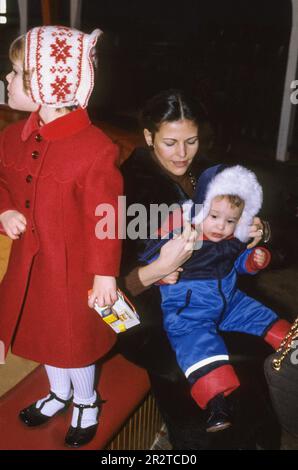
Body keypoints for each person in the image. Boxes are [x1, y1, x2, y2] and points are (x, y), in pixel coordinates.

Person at [118, 89, 278, 449]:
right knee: (197, 418)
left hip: (225, 299)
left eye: (190, 141)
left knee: (254, 395)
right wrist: (159, 269)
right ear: (148, 137)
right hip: (162, 319)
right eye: (170, 142)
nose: (182, 154)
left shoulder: (212, 173)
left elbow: (271, 238)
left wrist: (262, 230)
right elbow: (112, 281)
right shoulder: (129, 188)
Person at [0, 26, 123, 447]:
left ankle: (87, 400)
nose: (7, 80)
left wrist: (105, 275)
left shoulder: (95, 148)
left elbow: (106, 216)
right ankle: (59, 392)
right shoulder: (11, 138)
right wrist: (5, 208)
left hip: (73, 272)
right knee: (44, 336)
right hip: (30, 266)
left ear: (47, 84)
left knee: (73, 342)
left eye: (16, 72)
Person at [139, 163, 291, 433]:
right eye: (214, 216)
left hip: (230, 301)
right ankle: (217, 402)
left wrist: (255, 260)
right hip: (189, 309)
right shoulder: (185, 236)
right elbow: (155, 258)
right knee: (197, 346)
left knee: (262, 315)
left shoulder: (233, 238)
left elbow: (239, 263)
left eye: (230, 220)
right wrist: (164, 274)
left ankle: (290, 344)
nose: (221, 226)